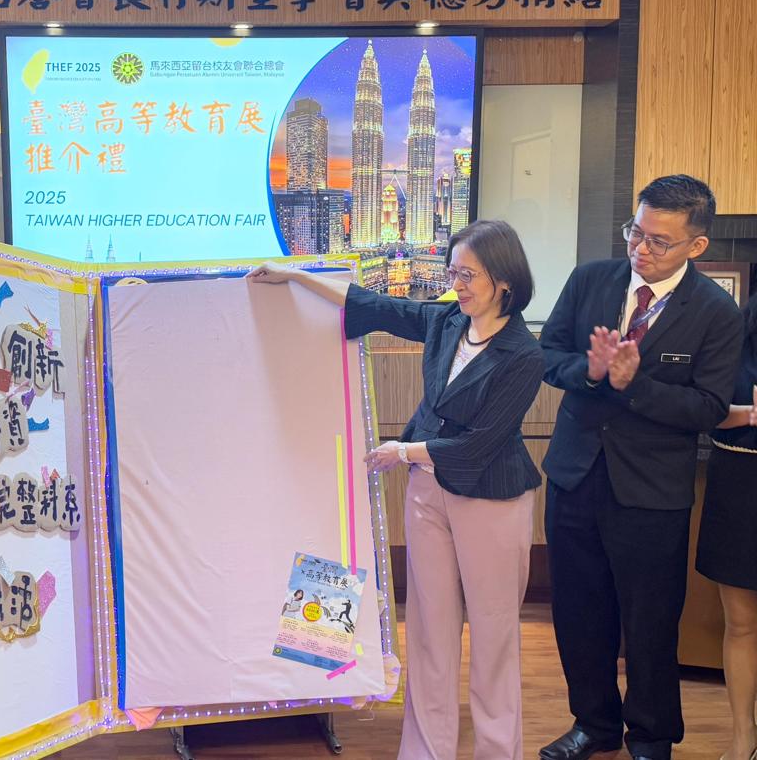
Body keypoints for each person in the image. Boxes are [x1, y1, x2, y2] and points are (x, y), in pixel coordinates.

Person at [249, 219, 544, 760]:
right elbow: (377, 306)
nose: (457, 285)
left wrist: (402, 452)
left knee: (493, 639)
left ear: (504, 279)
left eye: (469, 275)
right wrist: (296, 276)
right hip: (428, 493)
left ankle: (498, 752)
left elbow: (478, 446)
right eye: (453, 272)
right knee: (430, 633)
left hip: (491, 498)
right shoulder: (448, 321)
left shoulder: (523, 354)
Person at [538, 174, 743, 760]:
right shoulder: (590, 279)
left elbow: (708, 407)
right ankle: (593, 725)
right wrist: (590, 372)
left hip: (652, 492)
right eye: (636, 231)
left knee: (650, 622)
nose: (640, 249)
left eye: (658, 241)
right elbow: (548, 355)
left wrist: (635, 385)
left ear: (696, 245)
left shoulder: (716, 311)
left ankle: (651, 736)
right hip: (576, 475)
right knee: (579, 612)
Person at [696, 298, 757, 760]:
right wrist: (750, 415)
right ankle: (743, 736)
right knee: (741, 622)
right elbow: (700, 410)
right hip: (738, 480)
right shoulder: (731, 335)